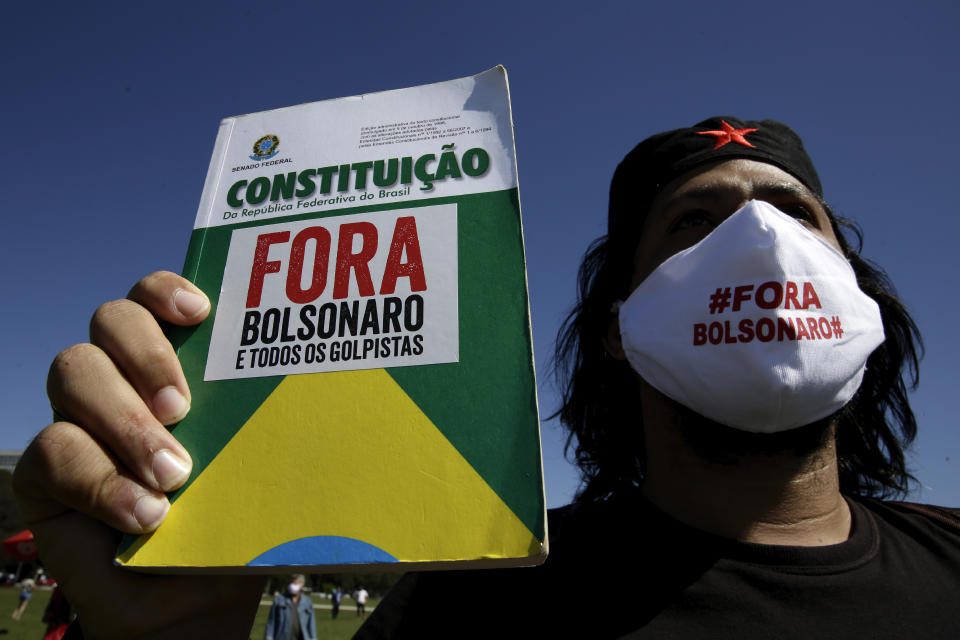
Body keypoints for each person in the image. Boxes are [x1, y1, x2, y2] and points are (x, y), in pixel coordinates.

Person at [12, 116, 960, 638]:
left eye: (795, 215)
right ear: (621, 332)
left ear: (861, 301)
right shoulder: (478, 608)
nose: (759, 244)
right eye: (693, 224)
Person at [264, 575, 316, 640]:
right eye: (291, 583)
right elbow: (271, 622)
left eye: (295, 584)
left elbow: (311, 624)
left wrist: (313, 638)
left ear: (302, 586)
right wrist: (268, 637)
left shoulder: (307, 602)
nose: (292, 586)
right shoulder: (279, 599)